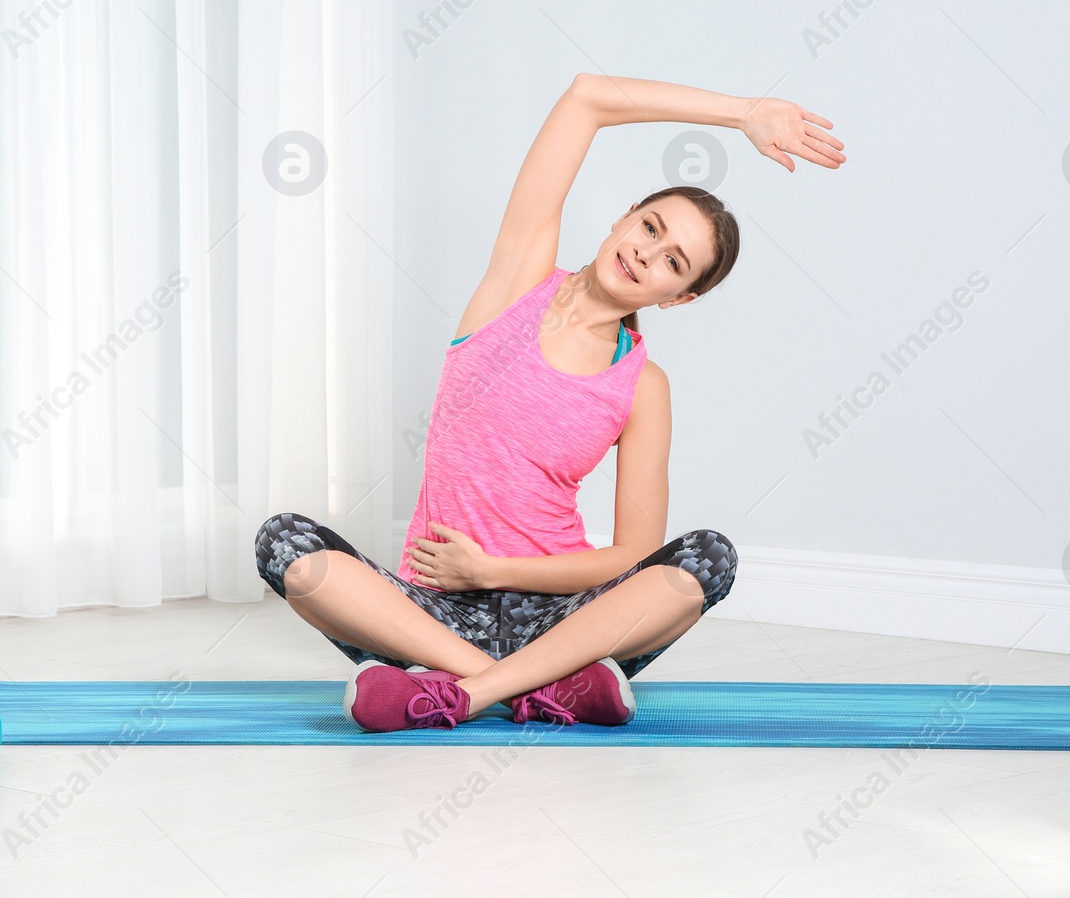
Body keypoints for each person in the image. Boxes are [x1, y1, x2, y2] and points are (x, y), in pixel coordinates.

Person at [256, 72, 845, 732]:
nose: (646, 252)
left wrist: (492, 568)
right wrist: (744, 113)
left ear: (678, 297)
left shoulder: (643, 386)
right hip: (434, 608)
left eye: (674, 263)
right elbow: (586, 98)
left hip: (564, 616)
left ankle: (459, 690)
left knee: (708, 558)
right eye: (650, 226)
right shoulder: (518, 281)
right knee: (285, 544)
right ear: (624, 215)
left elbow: (632, 555)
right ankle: (539, 689)